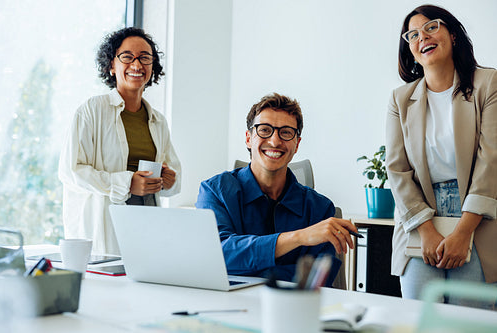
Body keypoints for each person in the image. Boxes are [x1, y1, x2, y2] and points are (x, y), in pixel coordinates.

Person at [386, 4, 497, 309]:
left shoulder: (488, 84)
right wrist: (427, 230)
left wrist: (463, 231)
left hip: (478, 218)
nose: (422, 36)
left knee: (467, 323)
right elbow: (397, 169)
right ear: (410, 50)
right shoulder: (400, 99)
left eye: (431, 27)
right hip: (419, 218)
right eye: (412, 34)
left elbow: (491, 162)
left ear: (452, 34)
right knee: (419, 319)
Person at [195, 93, 358, 283]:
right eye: (264, 130)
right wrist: (300, 237)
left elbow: (316, 279)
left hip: (294, 308)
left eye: (286, 132)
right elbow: (215, 256)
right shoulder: (214, 192)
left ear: (296, 144)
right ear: (248, 138)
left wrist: (243, 266)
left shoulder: (321, 209)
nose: (274, 141)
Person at [59, 27, 181, 255]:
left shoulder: (158, 121)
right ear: (111, 65)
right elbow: (71, 171)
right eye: (127, 57)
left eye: (145, 58)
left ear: (153, 67)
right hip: (104, 225)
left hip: (146, 223)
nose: (137, 65)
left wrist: (169, 179)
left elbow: (172, 172)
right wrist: (125, 184)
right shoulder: (91, 111)